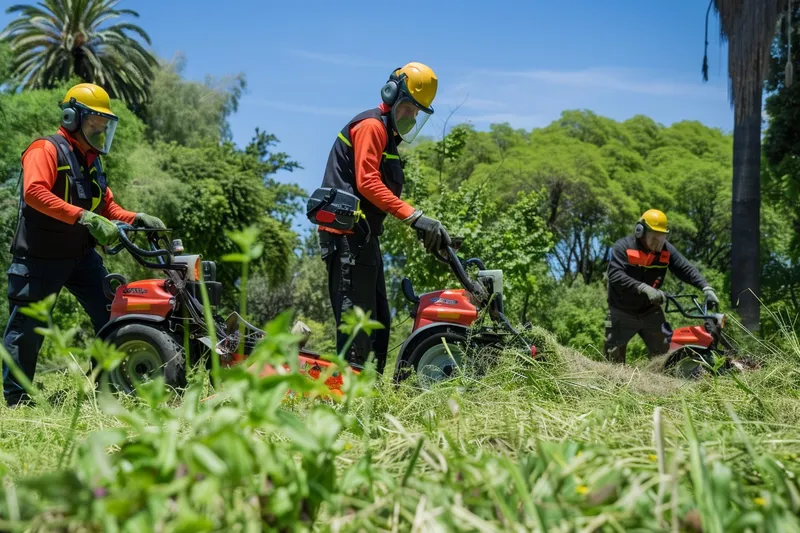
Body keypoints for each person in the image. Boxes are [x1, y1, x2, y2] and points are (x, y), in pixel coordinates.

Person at [3, 82, 165, 407]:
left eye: (104, 126)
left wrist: (136, 219)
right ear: (71, 117)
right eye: (94, 124)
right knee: (27, 326)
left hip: (80, 256)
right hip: (40, 256)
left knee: (113, 313)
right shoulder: (45, 150)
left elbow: (108, 209)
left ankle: (114, 383)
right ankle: (17, 399)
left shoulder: (92, 161)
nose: (100, 131)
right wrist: (84, 218)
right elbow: (34, 192)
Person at [316, 62, 451, 374]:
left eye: (417, 113)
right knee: (357, 326)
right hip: (346, 238)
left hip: (364, 238)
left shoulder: (388, 136)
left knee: (378, 323)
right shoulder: (371, 127)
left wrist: (422, 226)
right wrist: (415, 217)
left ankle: (373, 396)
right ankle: (347, 404)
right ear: (391, 95)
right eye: (407, 108)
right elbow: (367, 182)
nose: (410, 117)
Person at [604, 209, 719, 364]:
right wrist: (643, 288)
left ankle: (663, 384)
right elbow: (615, 275)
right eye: (654, 239)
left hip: (650, 311)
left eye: (662, 238)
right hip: (621, 311)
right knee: (613, 359)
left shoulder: (666, 250)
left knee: (666, 356)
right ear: (640, 232)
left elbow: (685, 268)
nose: (658, 244)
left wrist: (706, 287)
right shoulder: (623, 247)